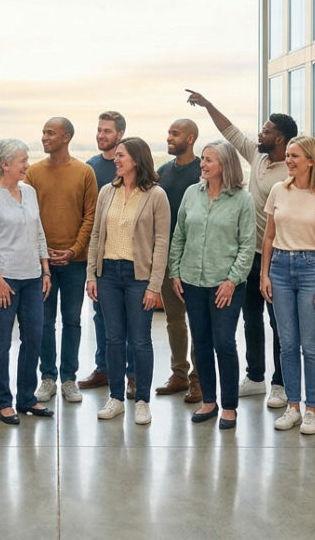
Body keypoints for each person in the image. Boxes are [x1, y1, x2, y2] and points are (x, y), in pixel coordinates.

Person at [186, 89, 296, 409]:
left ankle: (281, 383)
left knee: (278, 321)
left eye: (266, 130)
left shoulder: (291, 167)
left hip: (279, 253)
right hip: (250, 251)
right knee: (250, 317)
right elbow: (230, 131)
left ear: (281, 139)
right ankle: (256, 376)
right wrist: (208, 104)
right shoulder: (258, 155)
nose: (260, 133)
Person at [168, 140, 255, 431]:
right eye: (202, 159)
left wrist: (232, 280)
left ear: (225, 165)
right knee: (201, 343)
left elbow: (247, 245)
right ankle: (209, 400)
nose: (203, 164)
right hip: (192, 280)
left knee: (224, 342)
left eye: (209, 160)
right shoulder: (192, 193)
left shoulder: (242, 200)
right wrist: (175, 271)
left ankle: (229, 406)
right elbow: (179, 234)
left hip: (225, 284)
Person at [260, 136, 315, 436]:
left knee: (311, 345)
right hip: (280, 267)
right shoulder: (278, 190)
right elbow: (268, 237)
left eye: (295, 156)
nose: (290, 161)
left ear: (311, 160)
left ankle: (311, 410)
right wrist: (264, 274)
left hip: (313, 268)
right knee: (287, 343)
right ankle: (292, 406)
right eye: (289, 156)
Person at [85, 137, 170, 425]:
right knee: (112, 338)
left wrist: (154, 285)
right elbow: (97, 235)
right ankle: (116, 398)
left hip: (138, 277)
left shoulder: (156, 195)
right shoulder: (107, 192)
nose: (116, 160)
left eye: (121, 156)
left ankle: (142, 400)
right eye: (116, 156)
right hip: (107, 273)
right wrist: (91, 275)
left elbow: (161, 243)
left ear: (136, 159)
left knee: (141, 340)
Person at [0, 139, 53, 425]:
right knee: (0, 342)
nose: (27, 165)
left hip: (32, 277)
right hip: (3, 279)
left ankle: (26, 398)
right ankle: (3, 402)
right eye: (22, 160)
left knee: (33, 337)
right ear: (5, 164)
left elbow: (39, 232)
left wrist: (45, 269)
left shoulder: (30, 192)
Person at [25, 117, 96, 404]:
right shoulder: (33, 172)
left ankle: (69, 378)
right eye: (43, 132)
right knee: (43, 322)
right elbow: (28, 216)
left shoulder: (84, 172)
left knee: (72, 320)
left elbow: (90, 215)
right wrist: (45, 254)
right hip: (42, 263)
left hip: (75, 262)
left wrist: (74, 250)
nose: (44, 137)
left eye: (50, 133)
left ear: (66, 137)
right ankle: (48, 377)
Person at [84, 111, 134, 395]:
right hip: (102, 257)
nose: (101, 135)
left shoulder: (132, 168)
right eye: (99, 130)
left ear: (120, 135)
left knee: (132, 321)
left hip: (129, 256)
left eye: (107, 131)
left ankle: (132, 375)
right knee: (101, 317)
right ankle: (103, 369)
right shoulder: (90, 168)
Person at [154, 118, 202, 403]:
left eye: (176, 133)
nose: (170, 137)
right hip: (166, 256)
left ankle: (198, 379)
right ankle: (179, 374)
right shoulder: (163, 172)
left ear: (191, 138)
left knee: (196, 319)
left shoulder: (202, 171)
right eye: (169, 132)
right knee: (174, 319)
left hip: (195, 257)